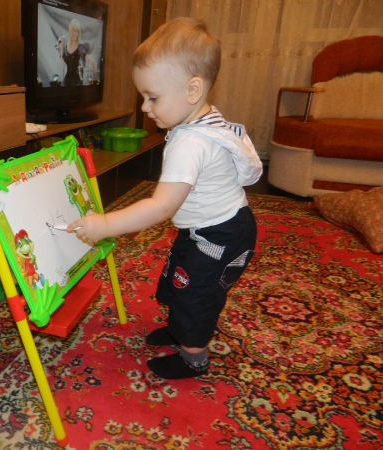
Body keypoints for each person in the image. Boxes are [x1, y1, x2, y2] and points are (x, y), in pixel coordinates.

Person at [68, 18, 263, 379]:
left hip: (219, 234)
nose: (145, 107)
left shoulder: (190, 143)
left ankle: (193, 357)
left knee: (196, 294)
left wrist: (105, 224)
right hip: (211, 227)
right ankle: (178, 330)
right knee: (180, 275)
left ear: (192, 90)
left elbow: (161, 206)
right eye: (144, 97)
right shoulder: (201, 120)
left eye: (153, 97)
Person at [58, 18, 96, 86]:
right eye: (74, 31)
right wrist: (61, 49)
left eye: (78, 31)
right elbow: (63, 65)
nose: (76, 34)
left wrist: (93, 66)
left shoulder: (80, 47)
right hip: (66, 82)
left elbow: (91, 61)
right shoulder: (65, 47)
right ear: (70, 31)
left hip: (77, 83)